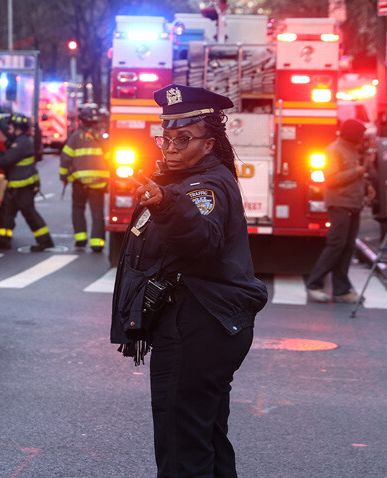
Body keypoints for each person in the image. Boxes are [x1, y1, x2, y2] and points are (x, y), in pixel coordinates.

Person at [111, 84, 268, 477]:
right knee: (205, 438)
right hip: (207, 324)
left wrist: (166, 204)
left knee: (181, 445)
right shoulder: (185, 179)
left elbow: (203, 239)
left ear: (209, 144)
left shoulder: (203, 187)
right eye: (166, 136)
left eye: (184, 137)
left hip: (197, 326)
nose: (171, 145)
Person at [305, 119, 376, 303]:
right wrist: (358, 172)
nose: (362, 139)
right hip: (340, 204)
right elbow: (332, 179)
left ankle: (341, 289)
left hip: (352, 204)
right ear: (353, 134)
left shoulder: (350, 148)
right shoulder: (334, 150)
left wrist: (366, 185)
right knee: (337, 244)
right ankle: (314, 284)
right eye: (360, 134)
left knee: (347, 247)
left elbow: (352, 174)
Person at [0, 113, 55, 252]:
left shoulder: (22, 143)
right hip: (15, 186)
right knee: (6, 213)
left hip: (23, 187)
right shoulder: (20, 139)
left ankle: (45, 241)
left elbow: (7, 160)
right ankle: (3, 241)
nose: (9, 128)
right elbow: (4, 128)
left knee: (29, 213)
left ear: (17, 128)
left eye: (12, 126)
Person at [60, 105, 109, 252]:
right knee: (98, 212)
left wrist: (63, 176)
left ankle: (80, 240)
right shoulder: (102, 138)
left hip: (79, 183)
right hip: (99, 184)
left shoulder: (75, 137)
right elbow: (110, 158)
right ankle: (97, 243)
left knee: (78, 209)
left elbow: (65, 158)